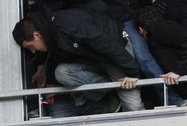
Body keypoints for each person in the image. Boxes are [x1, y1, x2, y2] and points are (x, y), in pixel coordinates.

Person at [12, 7, 144, 112]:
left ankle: (118, 92)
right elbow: (52, 54)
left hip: (116, 54)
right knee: (62, 72)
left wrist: (132, 74)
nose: (33, 51)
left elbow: (108, 46)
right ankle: (112, 93)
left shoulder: (69, 25)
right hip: (96, 59)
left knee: (133, 108)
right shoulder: (49, 32)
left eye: (30, 46)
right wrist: (42, 70)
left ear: (37, 35)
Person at [105, 0, 183, 106]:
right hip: (117, 23)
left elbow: (157, 3)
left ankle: (172, 99)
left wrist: (147, 23)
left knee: (144, 59)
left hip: (132, 23)